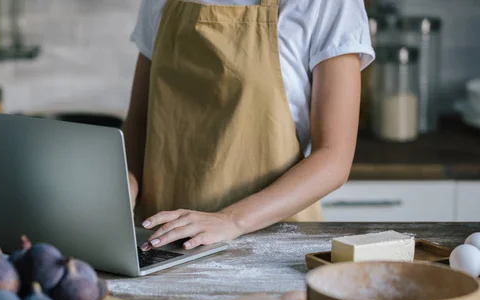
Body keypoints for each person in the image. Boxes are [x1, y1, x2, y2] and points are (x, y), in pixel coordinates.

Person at [123, 0, 375, 252]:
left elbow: (334, 158)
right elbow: (139, 122)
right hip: (162, 244)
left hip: (270, 246)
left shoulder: (327, 5)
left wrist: (231, 220)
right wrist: (125, 185)